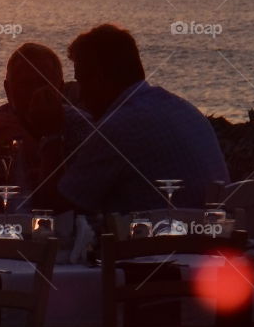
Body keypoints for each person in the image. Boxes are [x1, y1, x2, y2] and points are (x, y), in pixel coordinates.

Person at [48, 24, 228, 213]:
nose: (81, 95)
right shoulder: (182, 108)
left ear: (99, 78)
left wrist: (50, 135)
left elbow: (58, 208)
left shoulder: (116, 128)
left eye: (82, 81)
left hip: (163, 240)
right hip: (218, 234)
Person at [0, 41, 89, 210]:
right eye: (26, 84)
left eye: (43, 83)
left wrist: (36, 149)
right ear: (8, 90)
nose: (35, 91)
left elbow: (83, 191)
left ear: (59, 88)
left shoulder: (78, 124)